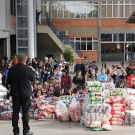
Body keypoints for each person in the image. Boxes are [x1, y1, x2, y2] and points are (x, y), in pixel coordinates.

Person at [7, 53, 35, 135]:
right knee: (25, 112)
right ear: (25, 60)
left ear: (18, 60)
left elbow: (8, 82)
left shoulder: (12, 69)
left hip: (15, 93)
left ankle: (16, 131)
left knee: (15, 112)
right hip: (26, 93)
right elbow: (33, 79)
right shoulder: (29, 70)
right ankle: (26, 130)